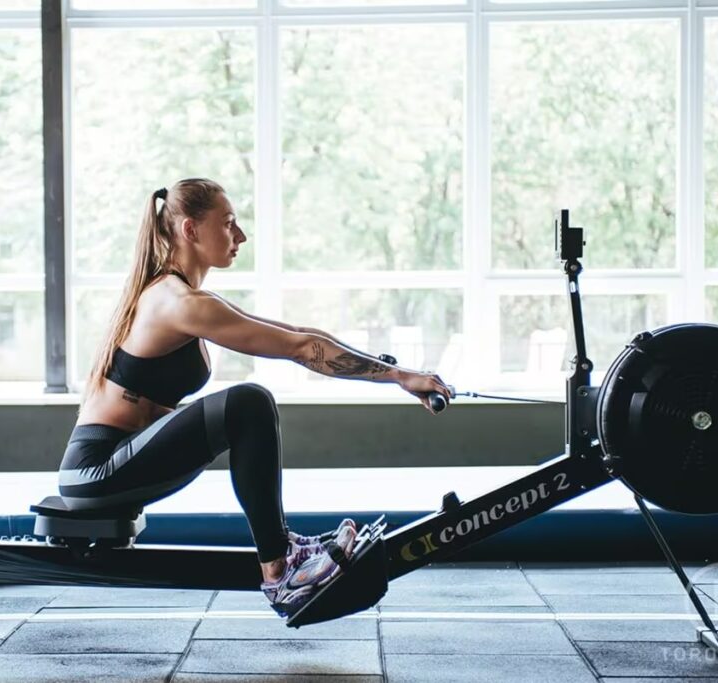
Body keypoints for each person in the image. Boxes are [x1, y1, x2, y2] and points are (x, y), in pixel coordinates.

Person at [60, 177, 452, 617]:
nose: (240, 235)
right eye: (228, 224)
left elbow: (300, 336)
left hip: (124, 462)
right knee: (247, 403)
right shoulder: (175, 302)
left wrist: (395, 372)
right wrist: (399, 377)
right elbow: (300, 349)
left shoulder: (188, 298)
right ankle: (278, 568)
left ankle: (280, 549)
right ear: (190, 230)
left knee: (246, 404)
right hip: (96, 470)